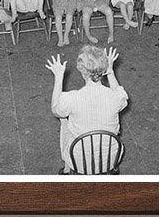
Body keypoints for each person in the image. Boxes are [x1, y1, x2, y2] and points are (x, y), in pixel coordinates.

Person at [48, 45, 128, 174]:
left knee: (64, 120)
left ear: (81, 69)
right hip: (111, 157)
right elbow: (122, 99)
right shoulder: (115, 96)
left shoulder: (72, 98)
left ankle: (67, 168)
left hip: (79, 160)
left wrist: (58, 77)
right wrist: (111, 71)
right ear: (104, 68)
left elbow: (56, 110)